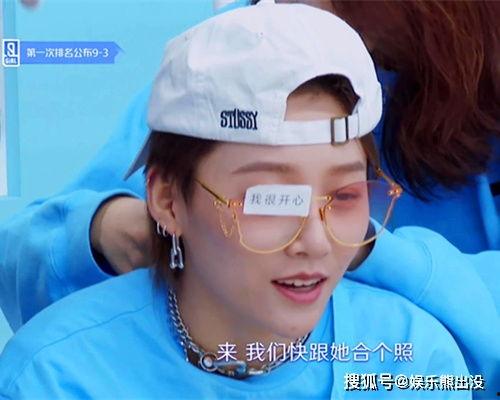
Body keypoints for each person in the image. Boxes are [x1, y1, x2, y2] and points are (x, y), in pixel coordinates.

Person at [0, 0, 498, 396]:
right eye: (270, 197)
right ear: (166, 201)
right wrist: (108, 229)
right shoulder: (231, 57)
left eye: (345, 194)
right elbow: (31, 256)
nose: (314, 242)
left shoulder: (412, 358)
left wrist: (371, 250)